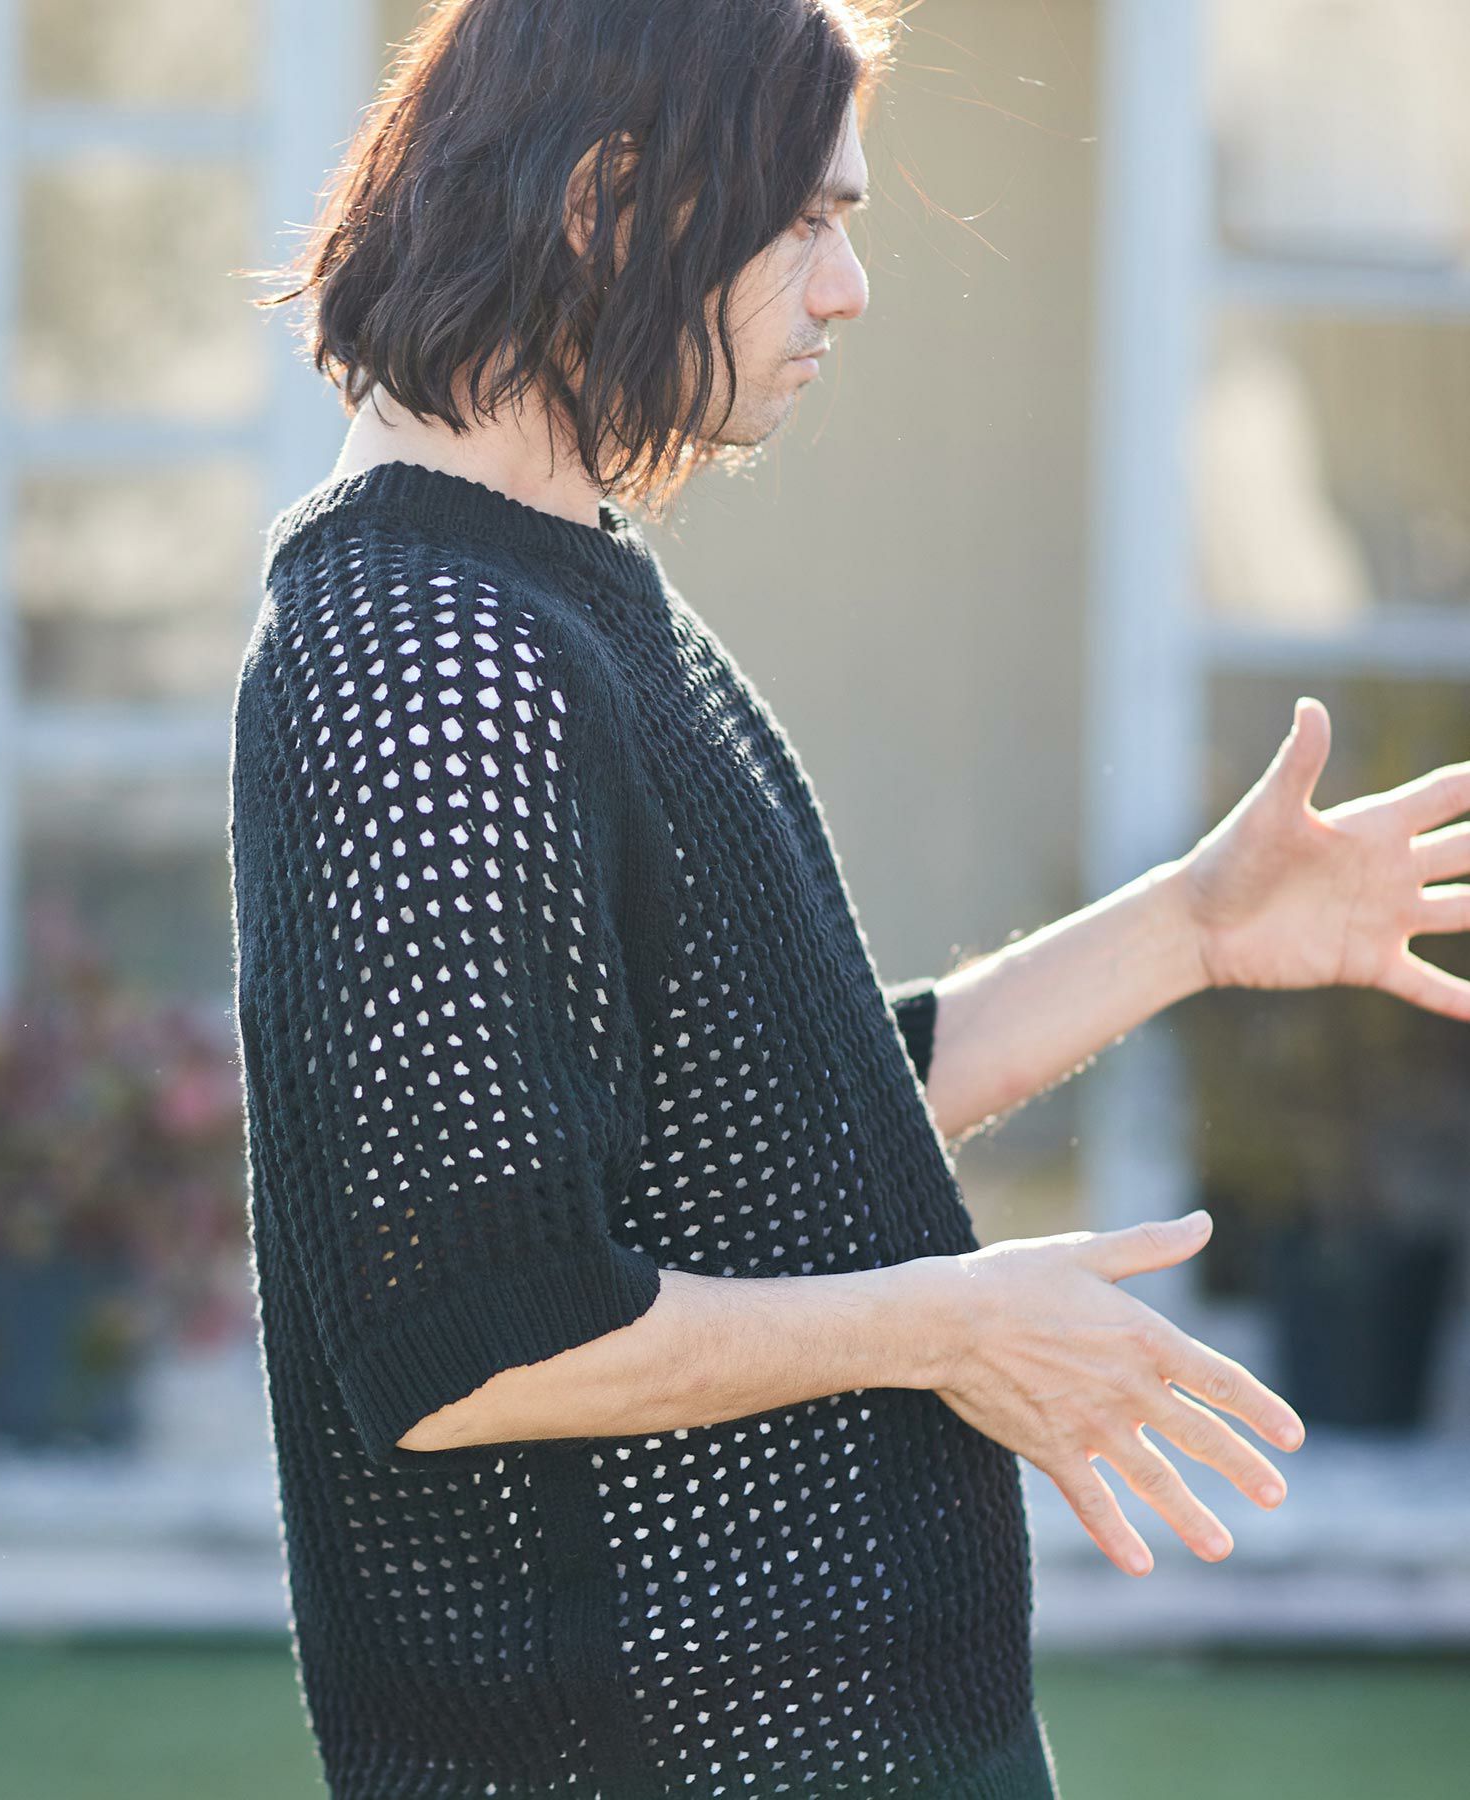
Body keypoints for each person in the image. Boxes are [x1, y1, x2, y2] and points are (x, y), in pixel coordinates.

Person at [232, 2, 1470, 1794]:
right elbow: (472, 1337)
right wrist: (952, 1320)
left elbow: (775, 1123)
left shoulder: (560, 595)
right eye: (805, 220)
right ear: (608, 201)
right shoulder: (439, 660)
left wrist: (1192, 925)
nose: (849, 289)